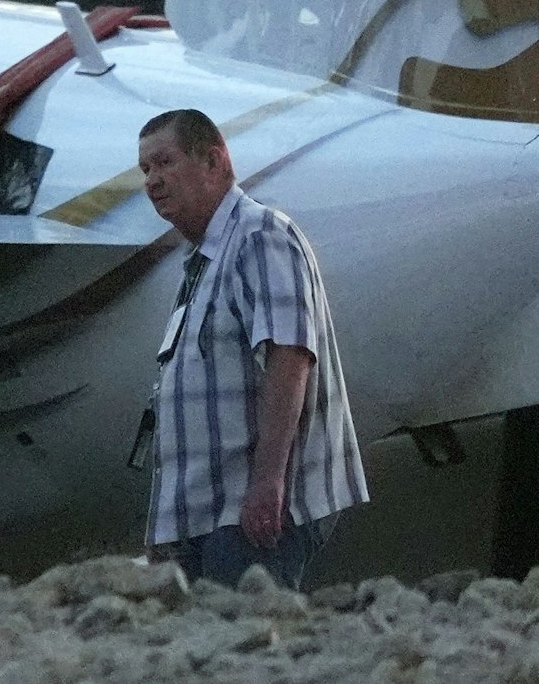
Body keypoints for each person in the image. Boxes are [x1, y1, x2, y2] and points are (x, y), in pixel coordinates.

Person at [136, 108, 367, 589]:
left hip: (249, 513)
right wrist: (165, 529)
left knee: (247, 655)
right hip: (204, 517)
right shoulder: (202, 261)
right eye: (145, 170)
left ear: (214, 161)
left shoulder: (260, 235)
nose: (153, 181)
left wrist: (267, 483)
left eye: (165, 163)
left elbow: (290, 355)